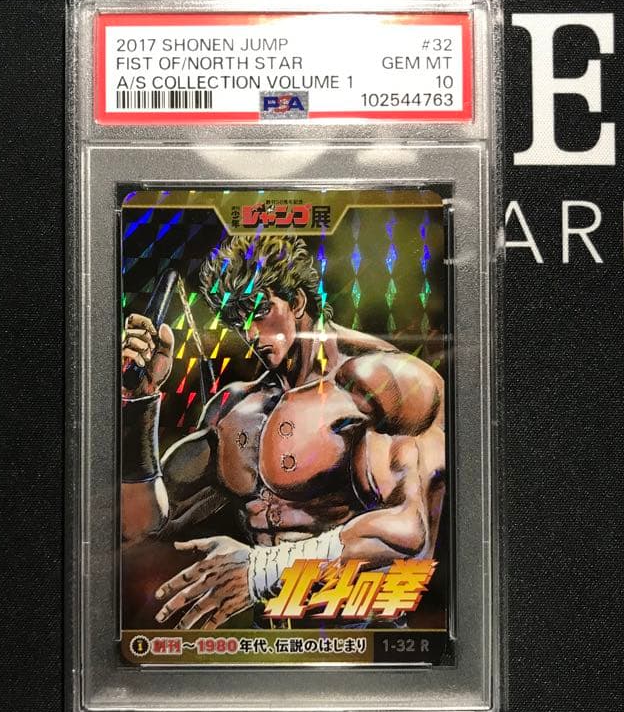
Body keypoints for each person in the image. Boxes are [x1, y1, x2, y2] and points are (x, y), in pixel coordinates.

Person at [121, 234, 446, 630]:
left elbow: (407, 530)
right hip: (273, 642)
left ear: (297, 302)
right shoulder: (234, 409)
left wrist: (260, 569)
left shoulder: (383, 382)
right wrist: (140, 401)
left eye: (259, 311)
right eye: (237, 319)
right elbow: (139, 526)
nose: (250, 334)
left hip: (361, 639)